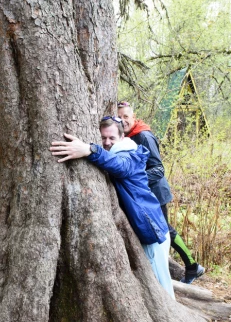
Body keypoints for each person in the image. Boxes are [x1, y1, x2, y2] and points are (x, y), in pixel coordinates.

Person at [50, 116, 175, 298]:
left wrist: (89, 150)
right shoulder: (118, 151)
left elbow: (121, 166)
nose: (107, 143)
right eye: (103, 138)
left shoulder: (128, 153)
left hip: (152, 233)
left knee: (161, 290)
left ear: (122, 138)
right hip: (148, 229)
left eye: (111, 138)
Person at [117, 101, 205, 284]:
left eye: (126, 116)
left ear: (134, 117)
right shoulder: (126, 137)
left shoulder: (143, 136)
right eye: (119, 117)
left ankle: (192, 266)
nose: (123, 120)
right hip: (143, 193)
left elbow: (158, 169)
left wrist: (136, 179)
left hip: (156, 192)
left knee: (164, 230)